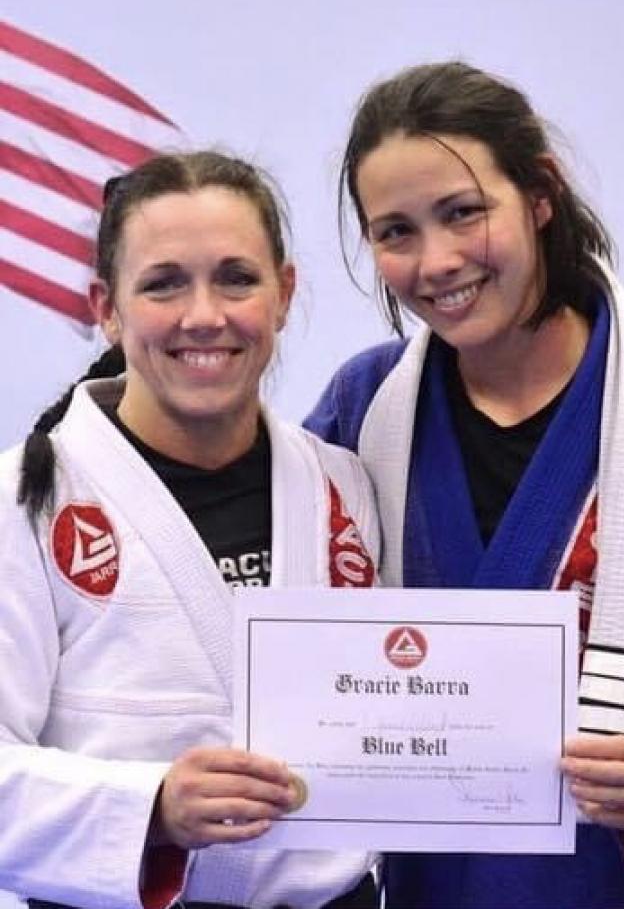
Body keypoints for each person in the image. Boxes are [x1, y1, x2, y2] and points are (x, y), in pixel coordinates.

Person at [305, 62, 624, 908]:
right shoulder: (362, 407)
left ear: (540, 194)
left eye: (463, 212)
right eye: (396, 231)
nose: (436, 261)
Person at [0, 151, 380, 909]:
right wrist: (153, 808)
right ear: (107, 307)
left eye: (236, 278)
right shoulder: (25, 501)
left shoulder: (342, 485)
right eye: (163, 283)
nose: (203, 314)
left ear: (284, 294)